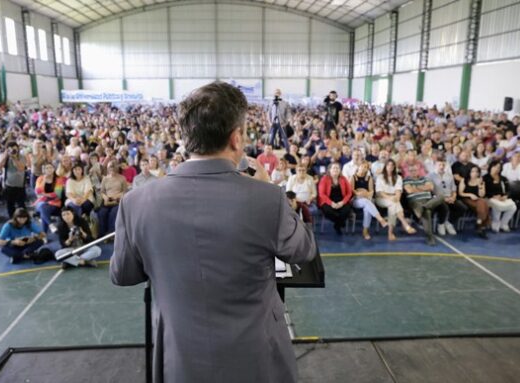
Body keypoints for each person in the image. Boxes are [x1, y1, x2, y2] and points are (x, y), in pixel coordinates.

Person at [110, 82, 316, 383]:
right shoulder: (266, 199)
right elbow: (304, 250)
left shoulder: (136, 202)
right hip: (256, 358)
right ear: (236, 138)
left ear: (186, 138)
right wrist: (268, 189)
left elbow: (124, 274)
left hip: (180, 358)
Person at [403, 164, 446, 246]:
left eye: (415, 170)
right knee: (427, 212)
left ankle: (425, 207)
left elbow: (430, 187)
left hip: (428, 200)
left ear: (418, 171)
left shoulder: (425, 178)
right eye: (411, 171)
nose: (413, 172)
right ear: (408, 172)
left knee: (441, 196)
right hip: (415, 201)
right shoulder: (406, 180)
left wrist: (415, 187)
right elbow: (409, 190)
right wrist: (423, 187)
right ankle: (430, 237)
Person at [375, 159, 416, 241]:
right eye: (388, 165)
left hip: (394, 199)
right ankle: (405, 224)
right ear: (385, 166)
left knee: (393, 206)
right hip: (381, 199)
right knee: (394, 205)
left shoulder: (398, 177)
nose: (390, 167)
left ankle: (390, 233)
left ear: (394, 167)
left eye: (392, 165)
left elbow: (398, 191)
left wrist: (396, 198)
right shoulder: (380, 177)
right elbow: (379, 193)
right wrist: (390, 198)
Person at [351, 161, 387, 240]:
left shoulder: (369, 178)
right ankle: (380, 219)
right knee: (367, 202)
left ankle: (365, 230)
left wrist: (365, 194)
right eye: (362, 166)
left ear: (368, 169)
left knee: (367, 208)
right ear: (358, 167)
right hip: (356, 200)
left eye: (366, 167)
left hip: (367, 198)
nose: (363, 168)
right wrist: (359, 193)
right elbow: (352, 190)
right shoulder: (353, 177)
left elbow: (371, 191)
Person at [318, 162, 352, 235]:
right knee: (329, 212)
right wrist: (331, 203)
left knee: (346, 211)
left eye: (337, 168)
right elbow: (322, 194)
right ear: (329, 170)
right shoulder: (324, 179)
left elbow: (349, 193)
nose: (336, 169)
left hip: (341, 200)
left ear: (340, 170)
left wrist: (342, 202)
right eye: (334, 168)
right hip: (327, 201)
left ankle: (337, 225)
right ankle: (340, 223)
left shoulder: (344, 179)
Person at [428, 159, 461, 236]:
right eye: (439, 165)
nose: (442, 167)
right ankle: (441, 224)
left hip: (449, 197)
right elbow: (431, 191)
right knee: (444, 207)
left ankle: (448, 222)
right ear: (435, 165)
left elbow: (454, 189)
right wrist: (443, 199)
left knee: (462, 207)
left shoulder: (450, 176)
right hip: (438, 198)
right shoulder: (430, 176)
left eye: (443, 165)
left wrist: (453, 197)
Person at [96, 161, 128, 237]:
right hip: (107, 201)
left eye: (113, 167)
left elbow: (125, 192)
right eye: (110, 167)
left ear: (117, 168)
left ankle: (111, 235)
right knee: (102, 213)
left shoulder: (122, 178)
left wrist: (116, 196)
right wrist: (105, 197)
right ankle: (102, 235)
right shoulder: (105, 179)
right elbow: (102, 192)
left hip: (118, 201)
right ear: (107, 168)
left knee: (113, 213)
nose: (112, 169)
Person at [484, 160, 517, 233]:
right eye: (495, 167)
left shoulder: (503, 178)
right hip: (490, 198)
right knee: (498, 206)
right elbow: (484, 191)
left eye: (498, 167)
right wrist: (493, 196)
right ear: (490, 167)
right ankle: (495, 223)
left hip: (502, 198)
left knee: (513, 207)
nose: (496, 169)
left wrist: (506, 196)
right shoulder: (485, 178)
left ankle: (504, 223)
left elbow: (508, 190)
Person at [0, 141, 28, 217]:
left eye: (15, 149)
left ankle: (24, 219)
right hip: (9, 185)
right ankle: (12, 219)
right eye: (11, 149)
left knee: (21, 205)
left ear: (18, 148)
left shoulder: (22, 156)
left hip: (20, 185)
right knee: (10, 204)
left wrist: (14, 158)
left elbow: (21, 168)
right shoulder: (5, 157)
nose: (13, 151)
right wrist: (5, 155)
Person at [459, 166, 490, 238]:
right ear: (469, 172)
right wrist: (470, 194)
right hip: (466, 199)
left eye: (476, 172)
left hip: (478, 199)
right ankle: (481, 226)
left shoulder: (481, 181)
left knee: (482, 202)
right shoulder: (464, 180)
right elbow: (460, 193)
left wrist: (480, 185)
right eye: (472, 171)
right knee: (484, 204)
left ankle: (479, 223)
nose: (474, 173)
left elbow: (482, 195)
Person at [35, 163, 66, 233]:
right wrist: (44, 181)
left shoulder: (58, 179)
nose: (49, 169)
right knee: (43, 207)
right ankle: (50, 224)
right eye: (47, 168)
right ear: (44, 170)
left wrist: (43, 194)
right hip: (41, 201)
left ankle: (45, 233)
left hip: (54, 202)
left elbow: (57, 194)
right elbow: (37, 191)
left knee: (43, 210)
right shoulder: (40, 178)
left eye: (50, 168)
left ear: (53, 169)